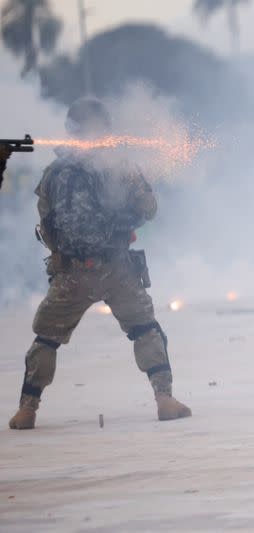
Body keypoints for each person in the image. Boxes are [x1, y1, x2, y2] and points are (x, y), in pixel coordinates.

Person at [8, 97, 191, 430]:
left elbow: (46, 222)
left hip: (71, 272)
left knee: (47, 339)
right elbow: (149, 209)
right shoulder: (118, 166)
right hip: (116, 267)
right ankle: (164, 399)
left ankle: (27, 409)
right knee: (145, 329)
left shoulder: (54, 172)